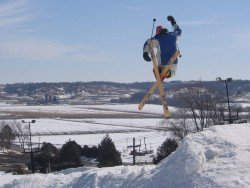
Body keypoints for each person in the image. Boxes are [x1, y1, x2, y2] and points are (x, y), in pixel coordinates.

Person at [143, 16, 182, 80]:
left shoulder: (157, 39)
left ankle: (158, 71)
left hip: (162, 64)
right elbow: (178, 31)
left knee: (158, 69)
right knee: (173, 72)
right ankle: (166, 73)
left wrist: (145, 54)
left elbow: (148, 43)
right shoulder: (173, 35)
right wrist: (173, 21)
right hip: (173, 62)